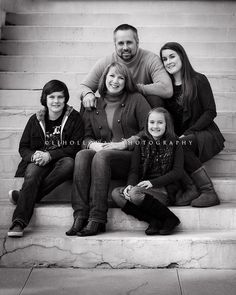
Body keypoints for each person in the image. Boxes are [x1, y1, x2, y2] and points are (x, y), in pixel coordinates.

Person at [66, 62, 151, 237]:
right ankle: (80, 215)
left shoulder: (136, 99)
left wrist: (125, 143)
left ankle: (97, 218)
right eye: (112, 76)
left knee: (102, 156)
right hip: (101, 155)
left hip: (129, 157)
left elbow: (149, 131)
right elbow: (84, 137)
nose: (115, 80)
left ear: (126, 81)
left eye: (121, 77)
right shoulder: (92, 102)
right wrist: (92, 145)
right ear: (104, 78)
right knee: (82, 155)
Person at [7, 80, 84, 237]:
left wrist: (50, 155)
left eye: (60, 97)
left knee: (69, 164)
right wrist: (33, 156)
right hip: (39, 160)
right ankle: (19, 222)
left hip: (61, 160)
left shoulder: (74, 118)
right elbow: (23, 147)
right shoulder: (35, 119)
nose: (56, 101)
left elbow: (75, 147)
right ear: (45, 99)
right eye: (52, 97)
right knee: (32, 174)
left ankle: (23, 197)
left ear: (66, 98)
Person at [160, 42, 225, 207]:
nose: (168, 62)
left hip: (204, 133)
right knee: (170, 147)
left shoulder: (198, 80)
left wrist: (189, 132)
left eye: (172, 56)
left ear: (182, 56)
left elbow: (210, 112)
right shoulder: (166, 89)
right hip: (180, 139)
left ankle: (208, 192)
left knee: (180, 145)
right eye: (164, 59)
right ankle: (189, 190)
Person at [112, 107, 182, 235]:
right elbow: (134, 171)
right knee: (116, 193)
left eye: (160, 122)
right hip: (142, 189)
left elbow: (177, 172)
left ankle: (170, 218)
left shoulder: (175, 142)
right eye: (152, 122)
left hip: (164, 189)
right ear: (147, 124)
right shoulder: (141, 142)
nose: (155, 126)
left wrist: (152, 183)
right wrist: (129, 185)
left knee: (135, 194)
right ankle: (153, 220)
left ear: (167, 124)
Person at [79, 24, 173, 109]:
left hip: (139, 108)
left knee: (155, 100)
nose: (125, 47)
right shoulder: (106, 62)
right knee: (87, 101)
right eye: (120, 43)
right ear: (115, 44)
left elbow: (167, 89)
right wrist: (87, 94)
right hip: (115, 106)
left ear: (137, 42)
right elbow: (83, 87)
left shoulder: (151, 59)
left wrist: (134, 88)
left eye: (129, 42)